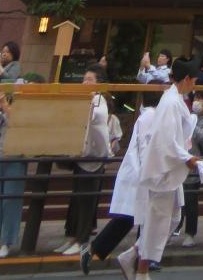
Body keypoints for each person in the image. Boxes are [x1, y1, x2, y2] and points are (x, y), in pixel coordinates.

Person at [118, 56, 203, 279]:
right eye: (194, 79)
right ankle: (141, 270)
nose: (195, 83)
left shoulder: (175, 99)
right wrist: (187, 158)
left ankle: (133, 255)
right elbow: (167, 139)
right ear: (186, 79)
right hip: (163, 170)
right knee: (158, 220)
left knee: (172, 218)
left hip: (170, 169)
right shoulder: (171, 102)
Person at [81, 91, 161, 274]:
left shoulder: (150, 116)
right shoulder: (150, 116)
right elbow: (146, 147)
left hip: (144, 173)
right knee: (135, 217)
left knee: (142, 217)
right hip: (141, 174)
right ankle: (137, 258)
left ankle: (141, 258)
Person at [55, 66, 112, 256]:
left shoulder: (98, 100)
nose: (85, 82)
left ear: (99, 83)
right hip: (82, 156)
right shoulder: (86, 99)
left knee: (86, 201)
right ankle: (73, 237)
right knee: (77, 200)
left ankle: (82, 240)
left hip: (94, 158)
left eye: (89, 79)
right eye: (84, 79)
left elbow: (97, 117)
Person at [178, 88, 203, 248]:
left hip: (196, 162)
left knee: (191, 199)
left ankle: (190, 233)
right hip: (181, 161)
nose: (196, 102)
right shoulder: (188, 116)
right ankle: (175, 228)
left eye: (200, 100)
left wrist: (191, 124)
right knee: (178, 200)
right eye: (195, 99)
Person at [0, 82, 25, 258]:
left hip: (16, 157)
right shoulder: (0, 105)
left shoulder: (22, 107)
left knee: (10, 201)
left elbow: (17, 123)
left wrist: (3, 104)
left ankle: (7, 242)